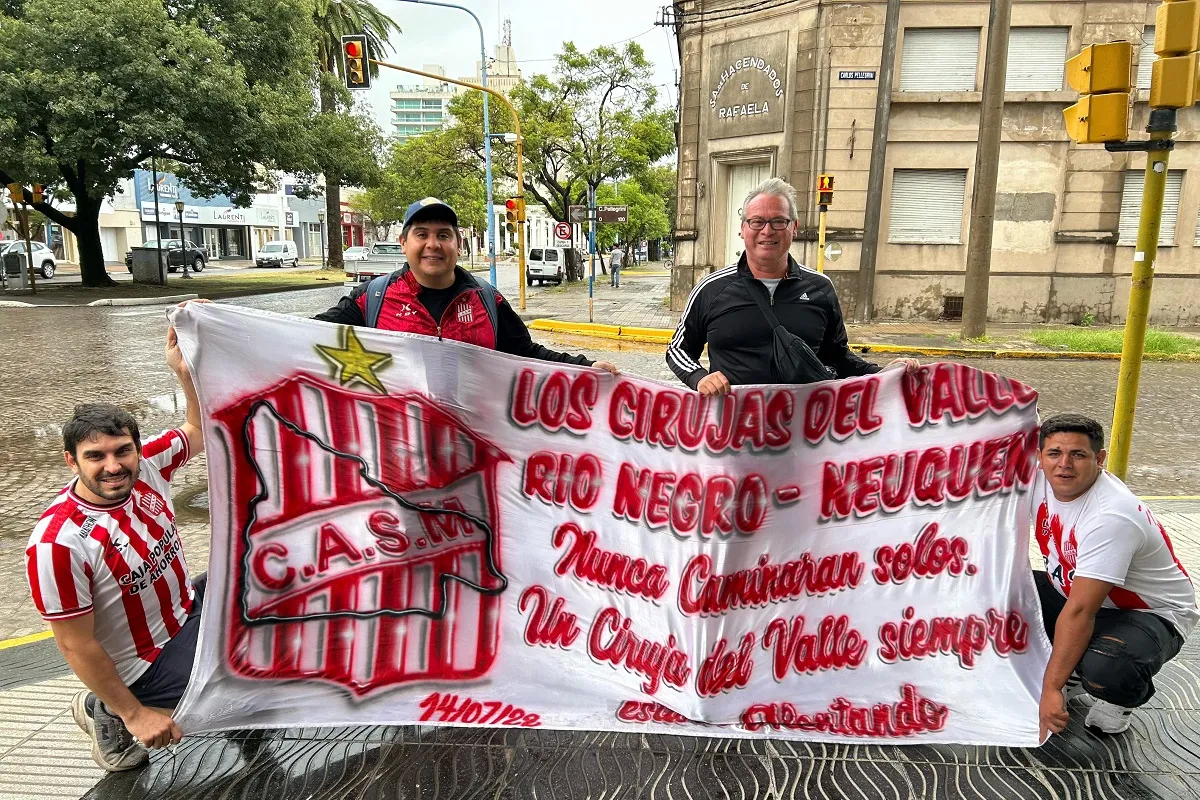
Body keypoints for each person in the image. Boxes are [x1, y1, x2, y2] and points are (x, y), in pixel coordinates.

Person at [24, 325, 205, 771]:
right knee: (243, 683)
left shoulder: (147, 467)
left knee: (266, 581)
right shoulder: (58, 544)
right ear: (71, 460)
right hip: (147, 662)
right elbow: (74, 644)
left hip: (185, 610)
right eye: (95, 456)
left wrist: (185, 373)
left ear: (137, 449)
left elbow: (197, 428)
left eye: (122, 451)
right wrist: (134, 714)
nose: (113, 466)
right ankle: (106, 711)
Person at [666, 178, 915, 394]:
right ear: (743, 229)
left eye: (778, 221)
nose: (767, 231)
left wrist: (885, 373)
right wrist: (698, 377)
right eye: (757, 222)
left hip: (806, 436)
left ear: (794, 228)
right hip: (734, 435)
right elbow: (678, 349)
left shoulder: (821, 288)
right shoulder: (711, 288)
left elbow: (838, 357)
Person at [316, 197, 617, 374]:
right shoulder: (371, 299)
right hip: (396, 464)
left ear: (458, 245)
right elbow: (304, 340)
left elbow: (526, 354)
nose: (432, 244)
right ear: (403, 243)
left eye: (443, 235)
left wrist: (585, 367)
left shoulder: (487, 300)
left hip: (473, 460)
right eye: (421, 234)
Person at [1034, 413, 1197, 738]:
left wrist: (1051, 688)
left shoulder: (1111, 516)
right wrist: (912, 381)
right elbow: (995, 423)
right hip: (1080, 596)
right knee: (999, 589)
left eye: (1078, 454)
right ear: (1039, 456)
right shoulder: (1040, 478)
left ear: (1100, 458)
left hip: (1149, 615)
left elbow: (1081, 611)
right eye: (1054, 453)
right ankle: (1073, 665)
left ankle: (1115, 695)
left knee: (1109, 667)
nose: (1064, 464)